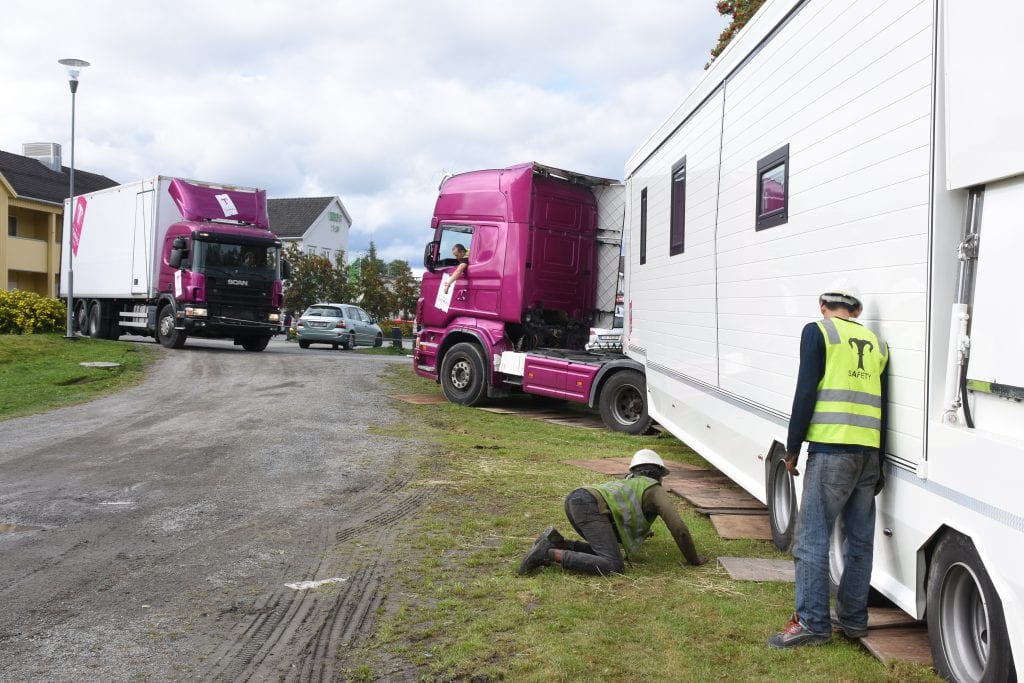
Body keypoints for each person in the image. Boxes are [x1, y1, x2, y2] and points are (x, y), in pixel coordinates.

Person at [768, 285, 889, 648]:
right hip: (868, 454)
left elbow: (806, 390)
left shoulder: (817, 331)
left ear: (823, 307)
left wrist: (792, 447)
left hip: (832, 450)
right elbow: (883, 406)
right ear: (857, 310)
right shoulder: (878, 344)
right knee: (860, 542)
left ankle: (812, 624)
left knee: (812, 538)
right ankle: (853, 620)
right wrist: (879, 463)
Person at [517, 449, 707, 576]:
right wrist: (693, 559)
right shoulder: (654, 489)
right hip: (588, 506)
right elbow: (679, 528)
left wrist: (642, 532)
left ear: (634, 471)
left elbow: (620, 513)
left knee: (607, 552)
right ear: (659, 475)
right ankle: (549, 553)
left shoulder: (628, 483)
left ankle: (560, 543)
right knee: (613, 565)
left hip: (576, 500)